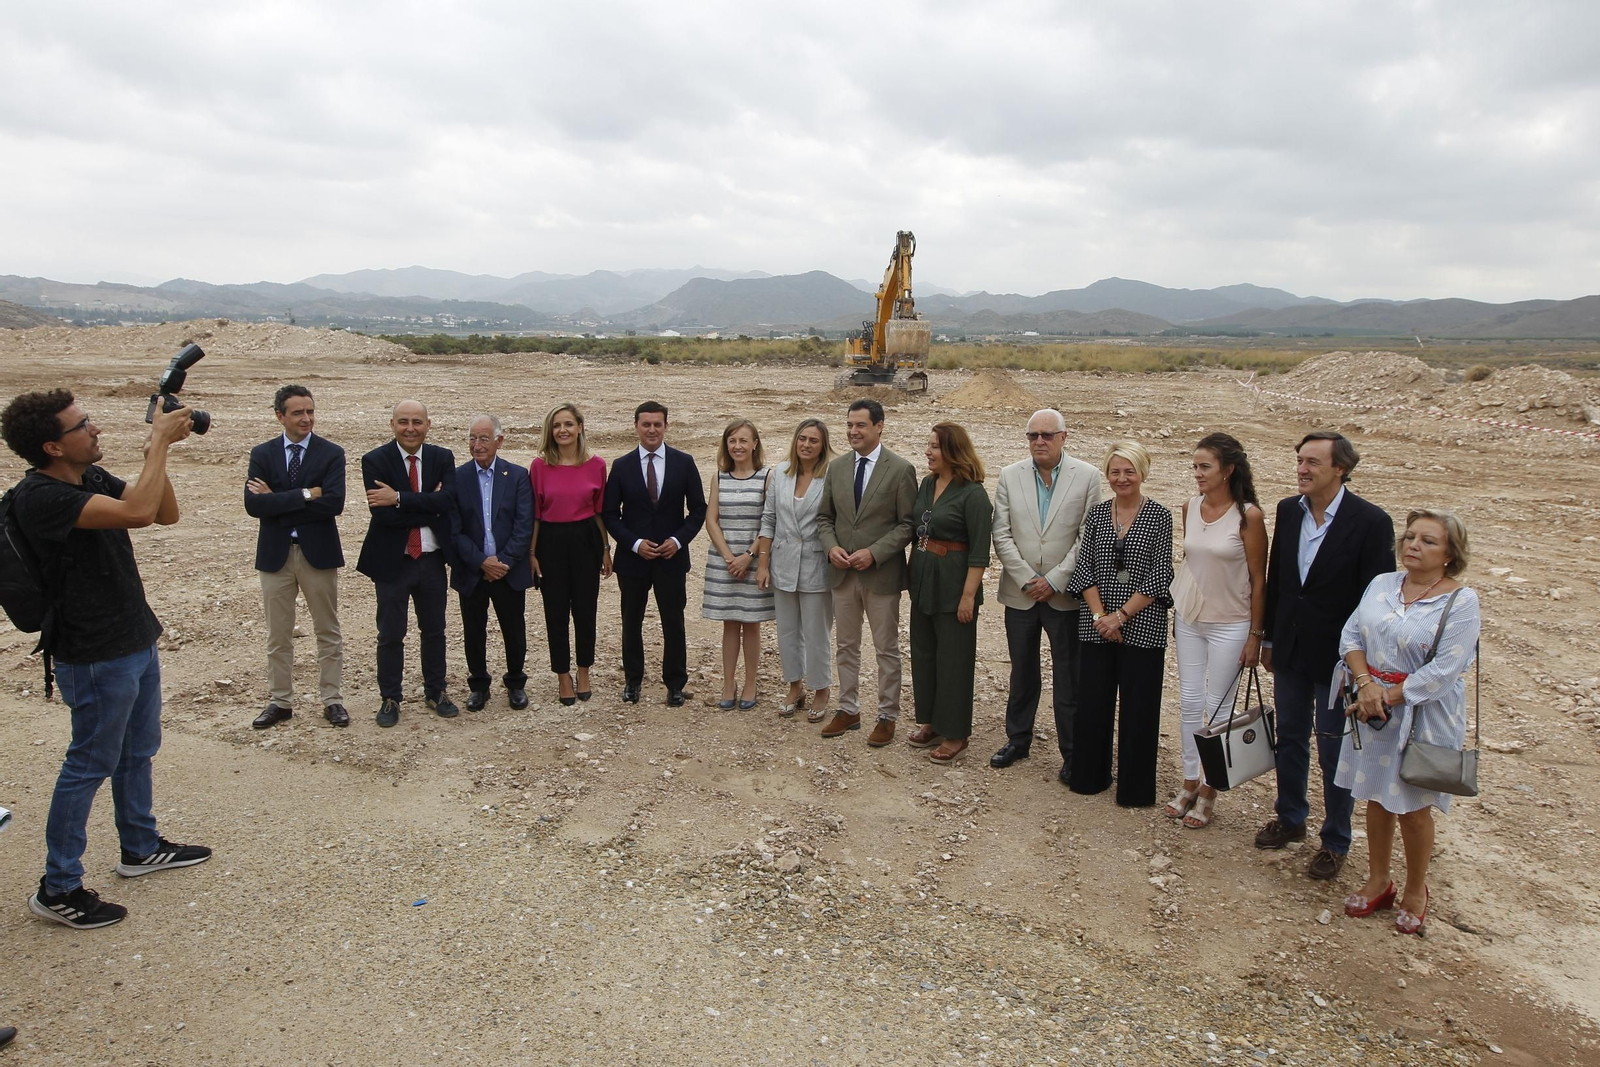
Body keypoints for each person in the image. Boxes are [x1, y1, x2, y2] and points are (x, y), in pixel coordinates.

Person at [3, 390, 211, 929]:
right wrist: (160, 441)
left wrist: (154, 451)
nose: (94, 430)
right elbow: (140, 512)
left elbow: (164, 512)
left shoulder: (87, 479)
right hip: (92, 652)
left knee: (137, 750)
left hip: (132, 637)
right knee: (88, 764)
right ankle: (59, 886)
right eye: (82, 425)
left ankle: (139, 847)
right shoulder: (42, 498)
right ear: (52, 445)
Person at [1258, 431, 1395, 881]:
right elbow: (1280, 578)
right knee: (1291, 738)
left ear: (1341, 468)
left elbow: (1376, 603)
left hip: (1340, 660)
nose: (1302, 469)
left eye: (1313, 462)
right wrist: (1270, 640)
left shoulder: (1371, 522)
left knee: (1336, 751)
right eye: (1300, 460)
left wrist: (1366, 670)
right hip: (1292, 652)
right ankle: (1291, 818)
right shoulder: (1287, 511)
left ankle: (1336, 840)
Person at [1335, 511, 1479, 935]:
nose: (1413, 545)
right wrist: (1365, 685)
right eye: (1410, 536)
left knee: (1414, 808)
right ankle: (1379, 879)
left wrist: (1386, 696)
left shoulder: (1461, 600)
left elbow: (1445, 670)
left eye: (1428, 541)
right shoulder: (1382, 584)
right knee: (1376, 799)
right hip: (1372, 708)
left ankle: (1417, 888)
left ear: (1450, 554)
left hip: (1422, 715)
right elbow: (1351, 637)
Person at [989, 408, 1102, 772]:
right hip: (1020, 594)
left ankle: (1072, 753)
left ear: (1064, 437)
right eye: (1032, 435)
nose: (1039, 441)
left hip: (1064, 596)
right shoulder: (1009, 475)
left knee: (1069, 677)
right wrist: (1027, 578)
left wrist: (1054, 580)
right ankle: (1018, 740)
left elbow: (1089, 536)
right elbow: (1001, 533)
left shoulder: (1087, 477)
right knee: (1022, 672)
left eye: (1047, 435)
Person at [1167, 433, 1268, 828]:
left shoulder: (1249, 515)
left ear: (1228, 470)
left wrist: (1255, 635)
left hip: (1231, 623)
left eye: (1204, 466)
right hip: (1190, 617)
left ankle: (1211, 788)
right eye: (1194, 466)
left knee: (1220, 707)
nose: (1197, 474)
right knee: (1190, 702)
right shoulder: (1189, 507)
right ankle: (1190, 780)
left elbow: (1260, 580)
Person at [1066, 440, 1173, 806]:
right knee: (1093, 705)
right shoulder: (1096, 514)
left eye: (1129, 471)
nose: (1122, 478)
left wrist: (1121, 615)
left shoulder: (1159, 516)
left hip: (1142, 626)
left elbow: (1161, 574)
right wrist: (1100, 617)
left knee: (1139, 710)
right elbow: (1085, 569)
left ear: (1143, 473)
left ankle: (1135, 790)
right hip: (1096, 626)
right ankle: (1088, 777)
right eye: (1115, 471)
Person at [243, 384, 348, 729]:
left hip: (317, 554)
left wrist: (278, 500)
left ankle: (332, 700)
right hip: (276, 556)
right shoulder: (262, 453)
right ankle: (280, 701)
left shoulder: (331, 453)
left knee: (327, 630)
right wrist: (305, 494)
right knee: (278, 634)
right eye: (298, 413)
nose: (306, 419)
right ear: (280, 416)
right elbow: (253, 506)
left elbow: (333, 504)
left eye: (310, 411)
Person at [816, 398, 917, 747]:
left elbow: (908, 525)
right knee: (846, 645)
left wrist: (874, 553)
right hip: (842, 574)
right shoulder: (837, 467)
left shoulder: (901, 469)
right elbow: (825, 518)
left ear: (879, 426)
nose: (852, 431)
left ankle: (887, 715)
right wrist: (831, 547)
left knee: (886, 648)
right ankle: (848, 709)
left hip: (881, 575)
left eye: (860, 425)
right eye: (848, 425)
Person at [356, 400, 459, 727]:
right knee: (390, 633)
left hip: (431, 561)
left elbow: (448, 501)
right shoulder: (374, 460)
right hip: (392, 562)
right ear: (392, 424)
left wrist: (399, 497)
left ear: (428, 425)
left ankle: (436, 691)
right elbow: (383, 515)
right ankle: (390, 697)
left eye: (417, 421)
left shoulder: (443, 458)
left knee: (435, 631)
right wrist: (430, 504)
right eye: (403, 422)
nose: (410, 428)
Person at [602, 401, 706, 707]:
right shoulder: (621, 466)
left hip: (672, 558)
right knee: (631, 620)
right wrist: (634, 543)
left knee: (673, 621)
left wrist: (678, 540)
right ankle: (632, 681)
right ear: (636, 426)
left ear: (666, 426)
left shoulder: (683, 462)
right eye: (645, 424)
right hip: (633, 560)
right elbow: (610, 513)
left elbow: (698, 509)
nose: (651, 430)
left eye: (657, 424)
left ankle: (675, 683)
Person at [905, 423, 992, 763]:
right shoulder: (927, 484)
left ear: (953, 452)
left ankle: (956, 734)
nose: (928, 452)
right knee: (924, 654)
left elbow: (980, 552)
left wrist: (968, 596)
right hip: (924, 580)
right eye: (928, 445)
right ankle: (932, 722)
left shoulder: (974, 494)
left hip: (955, 585)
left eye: (935, 447)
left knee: (954, 661)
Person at [529, 402, 610, 706]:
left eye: (568, 424)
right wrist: (532, 552)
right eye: (556, 425)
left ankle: (584, 670)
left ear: (580, 427)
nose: (562, 430)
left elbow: (600, 512)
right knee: (556, 612)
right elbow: (535, 515)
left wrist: (605, 549)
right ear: (550, 431)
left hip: (586, 539)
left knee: (586, 611)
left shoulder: (596, 465)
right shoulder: (539, 466)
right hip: (550, 541)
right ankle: (563, 675)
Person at [451, 414, 533, 711]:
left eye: (483, 438)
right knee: (474, 629)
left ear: (499, 440)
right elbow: (454, 528)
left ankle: (515, 683)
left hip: (508, 571)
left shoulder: (518, 476)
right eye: (472, 438)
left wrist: (503, 562)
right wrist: (481, 562)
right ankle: (479, 685)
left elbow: (524, 525)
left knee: (514, 628)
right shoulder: (457, 477)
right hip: (473, 570)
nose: (477, 445)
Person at [757, 418, 836, 721]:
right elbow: (768, 519)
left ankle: (821, 689)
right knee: (788, 631)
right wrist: (763, 564)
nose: (806, 444)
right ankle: (795, 686)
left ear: (823, 445)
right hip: (783, 563)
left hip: (817, 564)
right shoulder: (779, 474)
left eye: (813, 440)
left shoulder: (831, 476)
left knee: (817, 632)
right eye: (802, 438)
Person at [702, 419, 775, 709]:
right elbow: (711, 520)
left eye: (744, 440)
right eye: (732, 440)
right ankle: (728, 682)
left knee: (751, 624)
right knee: (729, 624)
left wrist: (749, 555)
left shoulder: (767, 476)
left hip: (754, 560)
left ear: (755, 443)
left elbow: (769, 520)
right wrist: (730, 557)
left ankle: (750, 684)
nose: (738, 446)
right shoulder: (719, 477)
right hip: (725, 561)